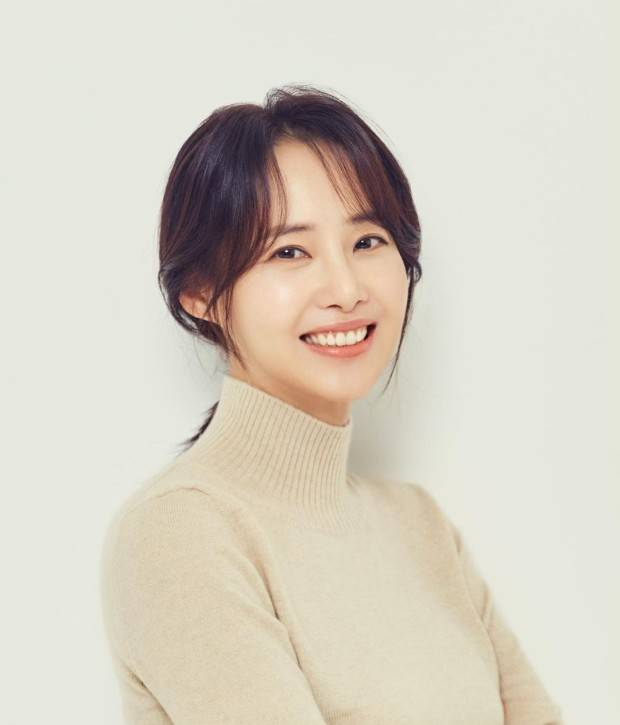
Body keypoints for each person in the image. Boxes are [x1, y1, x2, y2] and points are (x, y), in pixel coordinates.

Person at [99, 84, 564, 724]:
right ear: (201, 293)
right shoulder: (180, 532)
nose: (345, 289)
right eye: (289, 251)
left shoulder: (421, 526)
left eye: (367, 241)